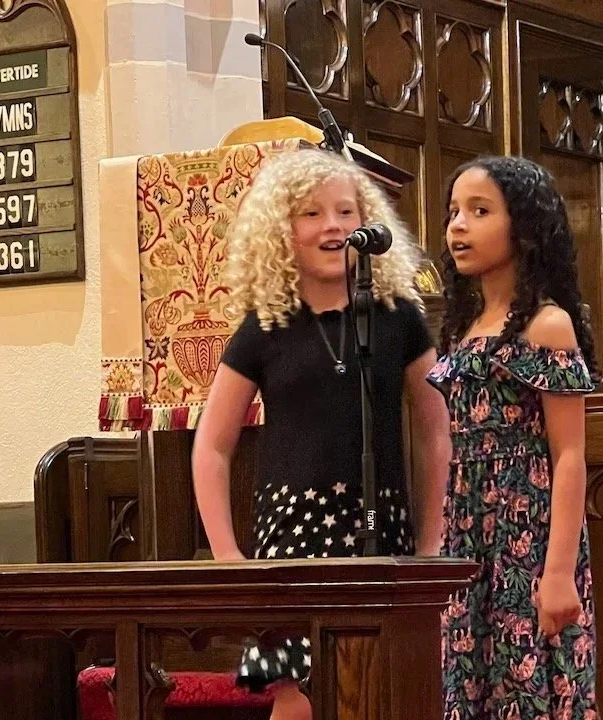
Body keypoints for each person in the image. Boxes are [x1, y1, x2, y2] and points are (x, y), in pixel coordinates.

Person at [192, 148, 451, 720]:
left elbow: (435, 432)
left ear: (368, 223)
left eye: (346, 211)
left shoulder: (398, 316)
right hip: (292, 536)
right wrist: (227, 555)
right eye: (311, 214)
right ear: (281, 231)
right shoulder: (266, 326)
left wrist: (433, 542)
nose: (332, 226)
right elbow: (211, 445)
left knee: (385, 689)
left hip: (381, 527)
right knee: (297, 700)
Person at [427, 155, 600, 720]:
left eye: (479, 211)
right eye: (454, 211)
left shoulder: (546, 324)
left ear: (523, 228)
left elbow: (569, 454)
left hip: (527, 534)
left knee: (527, 695)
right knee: (467, 691)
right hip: (466, 533)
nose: (458, 225)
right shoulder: (462, 326)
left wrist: (556, 574)